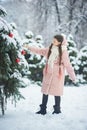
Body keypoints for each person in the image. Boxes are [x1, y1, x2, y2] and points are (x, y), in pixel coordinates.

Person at [23, 34, 76, 115]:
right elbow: (40, 51)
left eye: (55, 41)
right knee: (45, 91)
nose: (53, 42)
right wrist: (29, 47)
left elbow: (67, 64)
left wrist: (72, 76)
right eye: (53, 40)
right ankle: (43, 109)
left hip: (58, 75)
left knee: (57, 92)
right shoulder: (50, 49)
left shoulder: (64, 51)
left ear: (59, 42)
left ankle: (57, 110)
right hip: (48, 73)